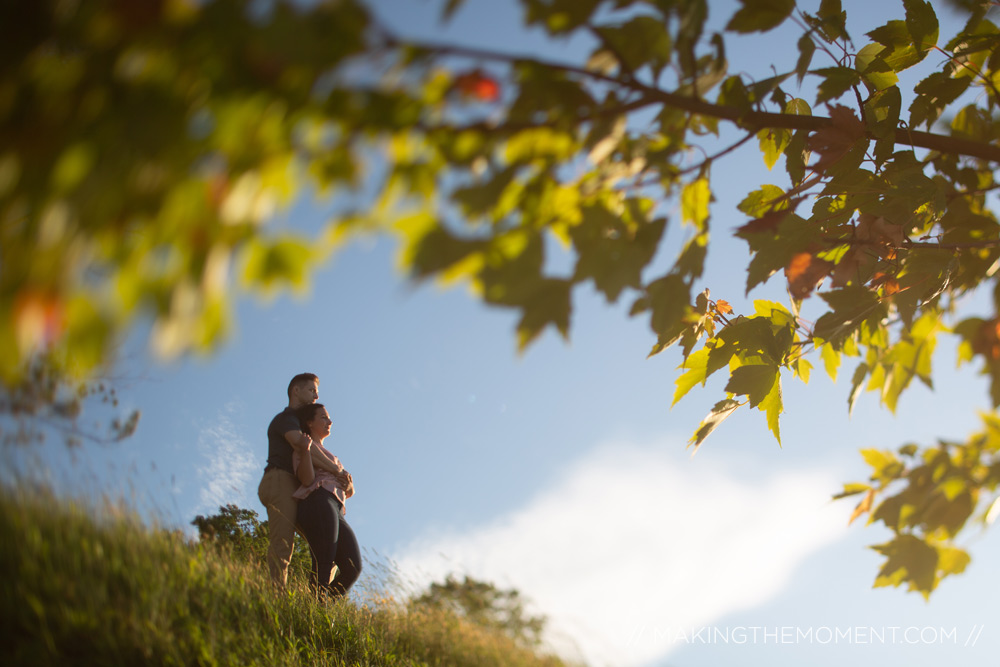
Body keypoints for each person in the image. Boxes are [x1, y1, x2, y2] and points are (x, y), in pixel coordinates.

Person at [256, 373, 345, 587]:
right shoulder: (287, 419)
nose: (316, 395)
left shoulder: (303, 424)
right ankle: (276, 601)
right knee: (283, 544)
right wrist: (336, 469)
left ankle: (318, 602)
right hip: (280, 480)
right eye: (311, 390)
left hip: (300, 488)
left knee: (327, 546)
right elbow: (301, 446)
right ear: (295, 390)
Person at [291, 402, 362, 598]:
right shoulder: (306, 445)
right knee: (324, 559)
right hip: (318, 500)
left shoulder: (334, 458)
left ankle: (319, 609)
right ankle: (314, 611)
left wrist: (349, 487)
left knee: (352, 567)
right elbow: (305, 479)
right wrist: (305, 451)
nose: (329, 421)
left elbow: (349, 489)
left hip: (337, 507)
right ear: (310, 422)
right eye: (323, 417)